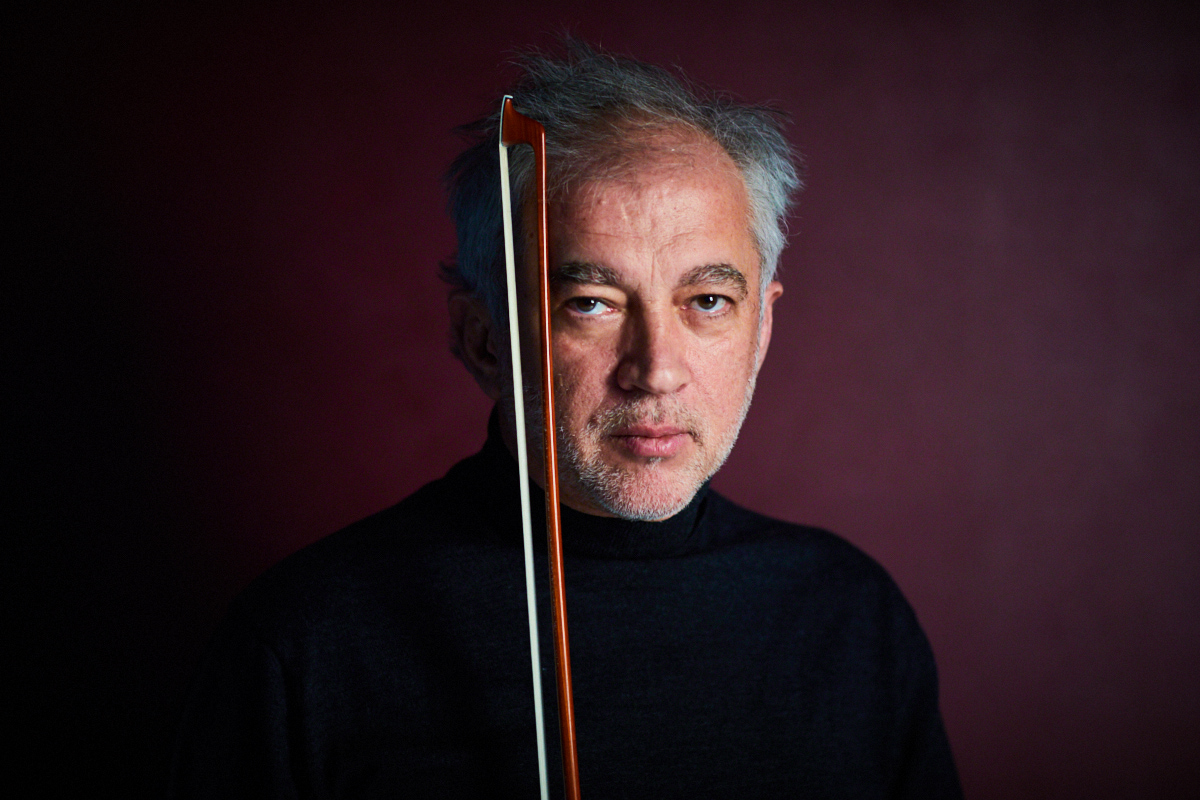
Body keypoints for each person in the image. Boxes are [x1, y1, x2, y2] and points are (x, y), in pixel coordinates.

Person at [169, 42, 962, 799]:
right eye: (591, 303)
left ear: (761, 328)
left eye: (708, 300)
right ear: (483, 339)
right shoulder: (303, 642)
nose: (655, 369)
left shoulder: (854, 618)